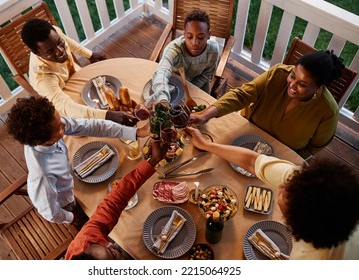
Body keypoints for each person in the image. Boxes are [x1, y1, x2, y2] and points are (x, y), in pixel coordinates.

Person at [184, 126, 359, 260]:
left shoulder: (310, 261)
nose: (281, 187)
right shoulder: (304, 181)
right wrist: (206, 144)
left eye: (285, 195)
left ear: (294, 222)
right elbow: (252, 162)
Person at [5, 96, 150, 226]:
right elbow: (49, 212)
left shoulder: (51, 124)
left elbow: (91, 126)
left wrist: (135, 133)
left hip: (67, 182)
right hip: (67, 204)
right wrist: (71, 218)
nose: (64, 124)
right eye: (58, 128)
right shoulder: (43, 174)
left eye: (60, 119)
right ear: (42, 140)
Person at [189, 50, 345, 158]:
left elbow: (314, 148)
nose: (292, 85)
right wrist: (205, 116)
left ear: (319, 87)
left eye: (302, 84)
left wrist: (286, 159)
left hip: (280, 158)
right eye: (292, 75)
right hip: (242, 136)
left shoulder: (328, 112)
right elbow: (242, 95)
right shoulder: (277, 73)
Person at [21, 18, 137, 126]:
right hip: (61, 99)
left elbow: (66, 41)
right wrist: (108, 115)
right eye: (51, 51)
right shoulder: (42, 78)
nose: (61, 51)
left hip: (75, 74)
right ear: (36, 53)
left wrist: (90, 54)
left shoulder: (53, 34)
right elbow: (67, 107)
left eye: (59, 43)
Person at [65, 139, 167, 260]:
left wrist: (153, 161)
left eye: (100, 244)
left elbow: (114, 201)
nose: (110, 243)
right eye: (112, 253)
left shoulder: (85, 241)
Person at [149, 9, 219, 104]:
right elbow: (162, 72)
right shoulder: (173, 49)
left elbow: (208, 72)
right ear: (184, 34)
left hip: (200, 83)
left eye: (201, 37)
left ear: (209, 35)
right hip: (174, 82)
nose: (195, 43)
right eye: (190, 36)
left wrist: (191, 89)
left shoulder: (213, 50)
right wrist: (163, 98)